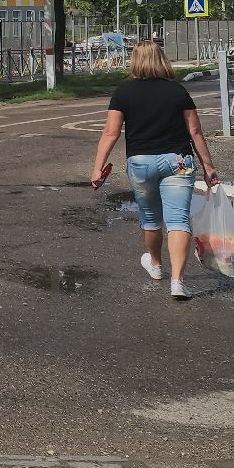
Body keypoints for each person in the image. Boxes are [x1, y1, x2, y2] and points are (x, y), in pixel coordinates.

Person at [90, 41, 222, 301]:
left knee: (150, 218)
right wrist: (208, 166)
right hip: (178, 162)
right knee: (178, 221)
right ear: (162, 59)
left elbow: (111, 133)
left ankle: (156, 264)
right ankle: (178, 282)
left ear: (134, 61)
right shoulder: (177, 92)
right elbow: (194, 132)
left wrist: (97, 168)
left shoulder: (123, 93)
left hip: (141, 163)